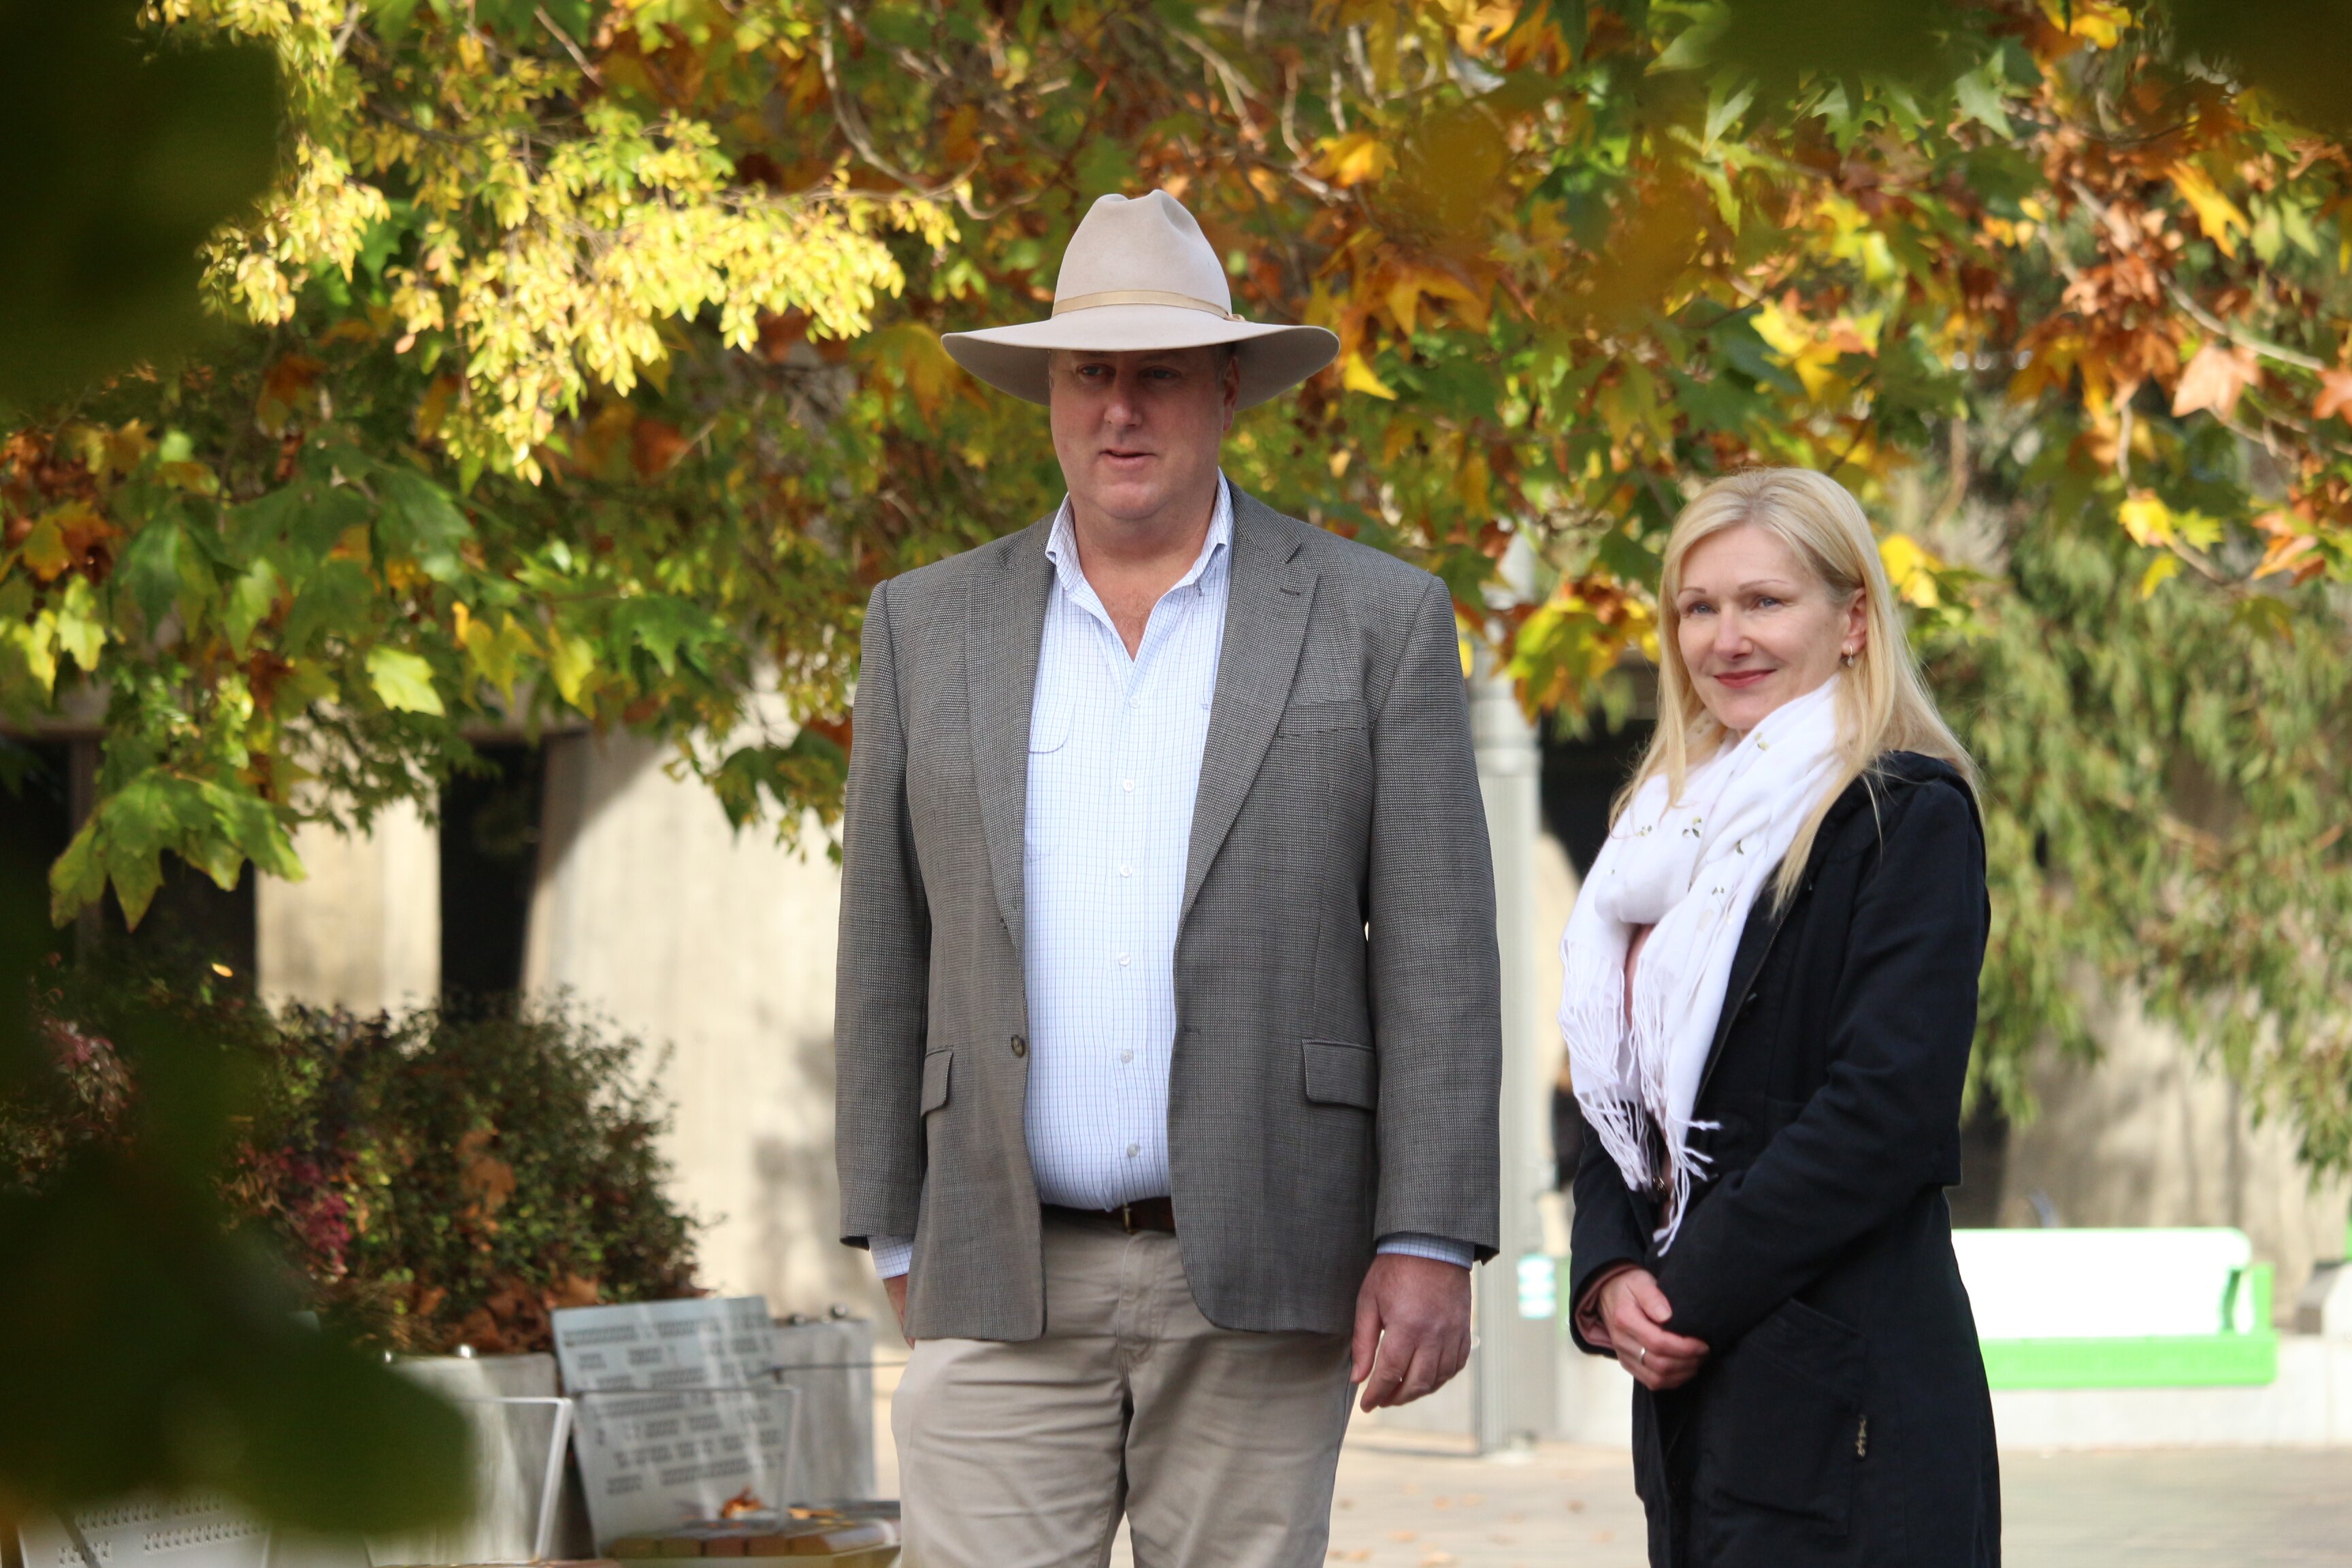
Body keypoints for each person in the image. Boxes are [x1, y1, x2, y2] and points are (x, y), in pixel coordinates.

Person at [834, 189, 1501, 1568]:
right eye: (1091, 374)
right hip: (995, 1265)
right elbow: (883, 947)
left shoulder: (1379, 619)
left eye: (1159, 376)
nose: (1120, 411)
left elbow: (1436, 957)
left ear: (1231, 388)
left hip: (1266, 1266)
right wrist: (888, 1229)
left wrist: (1430, 1232)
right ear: (1051, 393)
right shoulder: (923, 623)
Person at [1561, 468, 1999, 1567]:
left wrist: (1682, 1291)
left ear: (1854, 619)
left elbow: (1884, 1114)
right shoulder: (1657, 835)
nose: (1726, 638)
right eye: (1698, 607)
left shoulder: (1903, 815)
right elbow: (1626, 1098)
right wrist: (1610, 1275)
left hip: (1843, 1393)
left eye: (1765, 602)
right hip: (1695, 1401)